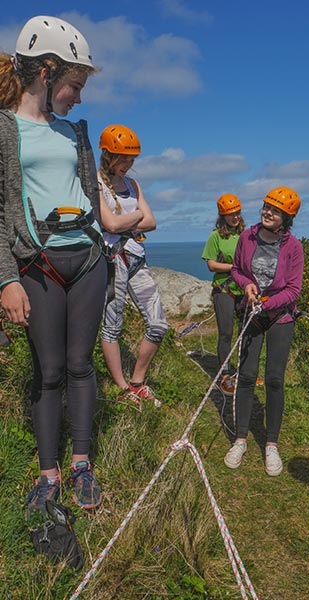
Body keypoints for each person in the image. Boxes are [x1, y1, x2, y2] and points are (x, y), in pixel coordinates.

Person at [0, 16, 108, 515]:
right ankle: (50, 475)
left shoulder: (75, 133)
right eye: (74, 84)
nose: (78, 97)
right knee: (48, 372)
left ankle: (83, 465)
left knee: (81, 366)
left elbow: (91, 195)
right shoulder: (5, 130)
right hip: (37, 264)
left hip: (86, 258)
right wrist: (5, 279)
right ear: (46, 72)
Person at [223, 187, 304, 476]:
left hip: (280, 316)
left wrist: (268, 301)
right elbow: (236, 269)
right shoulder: (248, 236)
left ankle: (271, 444)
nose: (268, 212)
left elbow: (294, 289)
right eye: (267, 206)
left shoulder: (293, 247)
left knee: (274, 379)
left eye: (276, 210)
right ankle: (240, 439)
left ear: (287, 217)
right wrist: (246, 285)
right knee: (245, 376)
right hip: (252, 313)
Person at [97, 124, 168, 408]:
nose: (128, 164)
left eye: (131, 159)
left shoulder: (132, 185)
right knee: (112, 327)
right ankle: (123, 387)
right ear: (108, 155)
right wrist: (136, 216)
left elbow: (152, 222)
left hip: (137, 258)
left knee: (159, 325)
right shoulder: (95, 183)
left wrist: (127, 222)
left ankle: (138, 382)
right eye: (123, 158)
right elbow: (110, 223)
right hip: (113, 259)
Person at [202, 194, 245, 395]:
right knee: (226, 332)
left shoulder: (246, 235)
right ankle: (225, 374)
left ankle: (245, 371)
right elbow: (211, 264)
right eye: (230, 214)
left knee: (245, 332)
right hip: (224, 288)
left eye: (236, 213)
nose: (234, 217)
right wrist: (234, 267)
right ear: (223, 216)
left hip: (244, 288)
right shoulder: (216, 236)